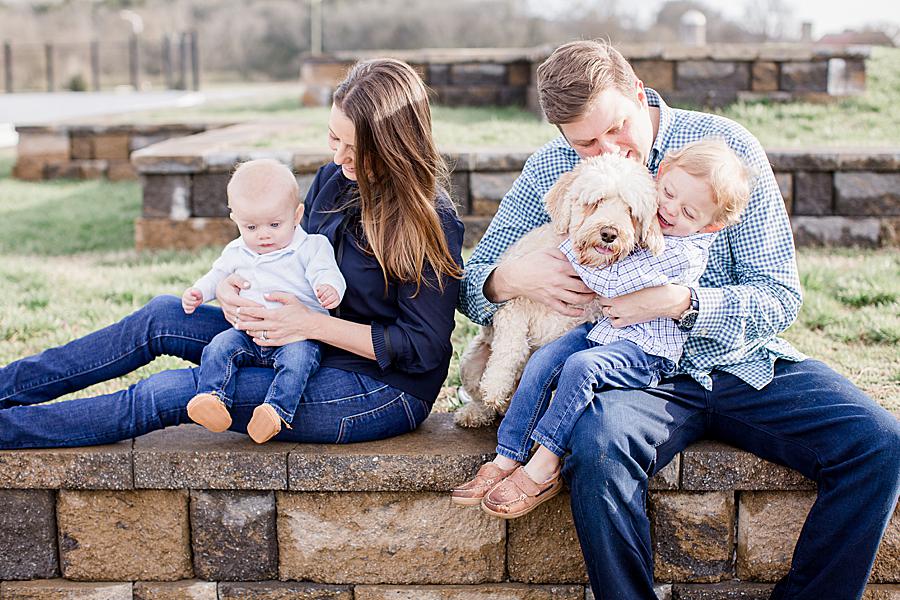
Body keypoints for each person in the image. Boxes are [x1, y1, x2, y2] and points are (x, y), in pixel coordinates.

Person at [458, 40, 900, 599]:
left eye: (616, 129)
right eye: (584, 143)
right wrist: (512, 279)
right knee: (595, 451)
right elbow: (473, 288)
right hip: (629, 373)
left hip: (739, 362)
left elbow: (780, 295)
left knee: (879, 444)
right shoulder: (552, 166)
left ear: (638, 96)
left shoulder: (727, 148)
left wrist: (684, 304)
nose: (605, 150)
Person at [0, 57, 463, 449]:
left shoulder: (431, 220)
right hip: (296, 339)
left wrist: (312, 325)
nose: (339, 157)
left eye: (355, 148)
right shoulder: (333, 180)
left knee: (172, 392)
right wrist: (231, 285)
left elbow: (422, 349)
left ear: (393, 147)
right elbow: (285, 253)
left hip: (377, 390)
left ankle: (10, 430)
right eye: (332, 138)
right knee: (161, 316)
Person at [452, 139, 753, 519]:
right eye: (668, 196)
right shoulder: (646, 217)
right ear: (659, 180)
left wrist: (566, 248)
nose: (670, 210)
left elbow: (608, 278)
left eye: (687, 210)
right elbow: (471, 280)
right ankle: (506, 455)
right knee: (544, 360)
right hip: (606, 332)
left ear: (708, 223)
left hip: (645, 350)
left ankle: (542, 465)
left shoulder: (676, 247)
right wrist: (517, 272)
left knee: (580, 367)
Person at [182, 158, 346, 444]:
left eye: (274, 224)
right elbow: (217, 274)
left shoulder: (310, 247)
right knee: (219, 346)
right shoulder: (237, 250)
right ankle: (212, 398)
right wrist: (199, 292)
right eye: (252, 227)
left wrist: (328, 287)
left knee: (297, 363)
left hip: (298, 337)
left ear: (296, 215)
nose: (264, 235)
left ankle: (274, 412)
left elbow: (326, 271)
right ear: (236, 221)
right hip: (249, 334)